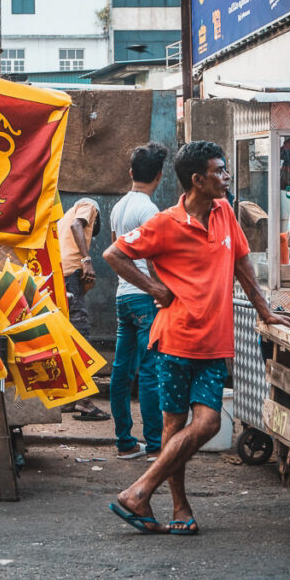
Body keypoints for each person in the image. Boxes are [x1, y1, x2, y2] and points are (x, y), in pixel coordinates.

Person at [104, 141, 290, 534]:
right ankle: (179, 508)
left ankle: (139, 491)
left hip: (214, 343)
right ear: (197, 180)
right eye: (220, 171)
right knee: (175, 429)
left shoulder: (225, 212)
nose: (226, 177)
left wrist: (264, 308)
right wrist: (154, 289)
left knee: (205, 424)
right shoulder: (164, 223)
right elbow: (113, 255)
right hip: (175, 340)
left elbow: (242, 262)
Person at [108, 143, 167, 460]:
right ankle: (156, 444)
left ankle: (124, 442)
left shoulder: (119, 207)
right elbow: (154, 259)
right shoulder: (150, 211)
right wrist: (160, 289)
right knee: (148, 372)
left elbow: (118, 252)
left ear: (131, 173)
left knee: (121, 371)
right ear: (159, 175)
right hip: (145, 297)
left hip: (123, 297)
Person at [55, 197, 110, 421]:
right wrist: (86, 258)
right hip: (70, 274)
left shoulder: (63, 218)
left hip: (61, 275)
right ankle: (85, 402)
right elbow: (78, 225)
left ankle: (68, 400)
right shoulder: (89, 206)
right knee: (81, 337)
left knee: (68, 338)